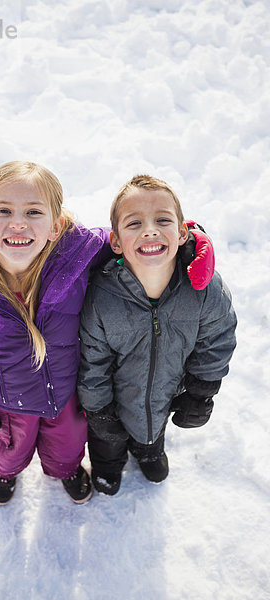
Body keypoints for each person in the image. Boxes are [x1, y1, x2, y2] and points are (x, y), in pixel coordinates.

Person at [0, 162, 215, 505]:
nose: (18, 222)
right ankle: (6, 472)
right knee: (8, 451)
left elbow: (133, 239)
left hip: (63, 393)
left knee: (66, 447)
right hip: (4, 400)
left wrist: (193, 241)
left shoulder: (75, 255)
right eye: (3, 210)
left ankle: (66, 471)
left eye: (34, 211)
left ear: (56, 226)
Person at [77, 174, 237, 496]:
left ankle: (148, 450)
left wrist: (201, 391)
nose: (150, 229)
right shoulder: (102, 297)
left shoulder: (203, 290)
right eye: (134, 223)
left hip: (166, 391)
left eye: (162, 219)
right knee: (108, 440)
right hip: (114, 400)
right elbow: (92, 360)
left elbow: (216, 340)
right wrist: (98, 410)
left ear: (181, 233)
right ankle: (108, 465)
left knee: (152, 426)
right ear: (116, 241)